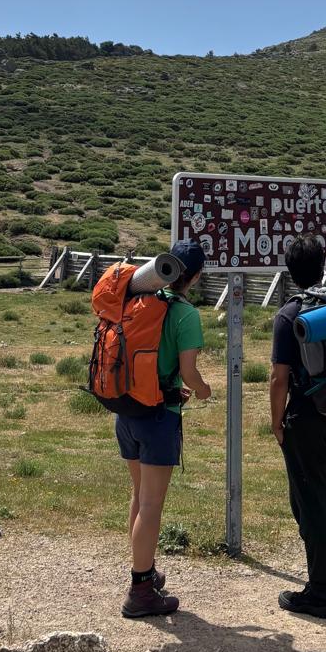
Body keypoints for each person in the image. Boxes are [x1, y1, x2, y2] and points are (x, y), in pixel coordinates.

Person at [118, 241, 212, 618]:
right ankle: (140, 589)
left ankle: (145, 570)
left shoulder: (141, 300)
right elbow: (189, 372)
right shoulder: (185, 314)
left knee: (140, 496)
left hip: (126, 409)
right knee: (152, 504)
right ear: (196, 276)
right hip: (159, 415)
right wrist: (203, 390)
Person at [270, 233, 326, 619]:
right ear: (323, 264)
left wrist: (276, 422)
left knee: (310, 504)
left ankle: (321, 592)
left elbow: (278, 377)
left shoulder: (290, 314)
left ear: (290, 272)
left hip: (307, 417)